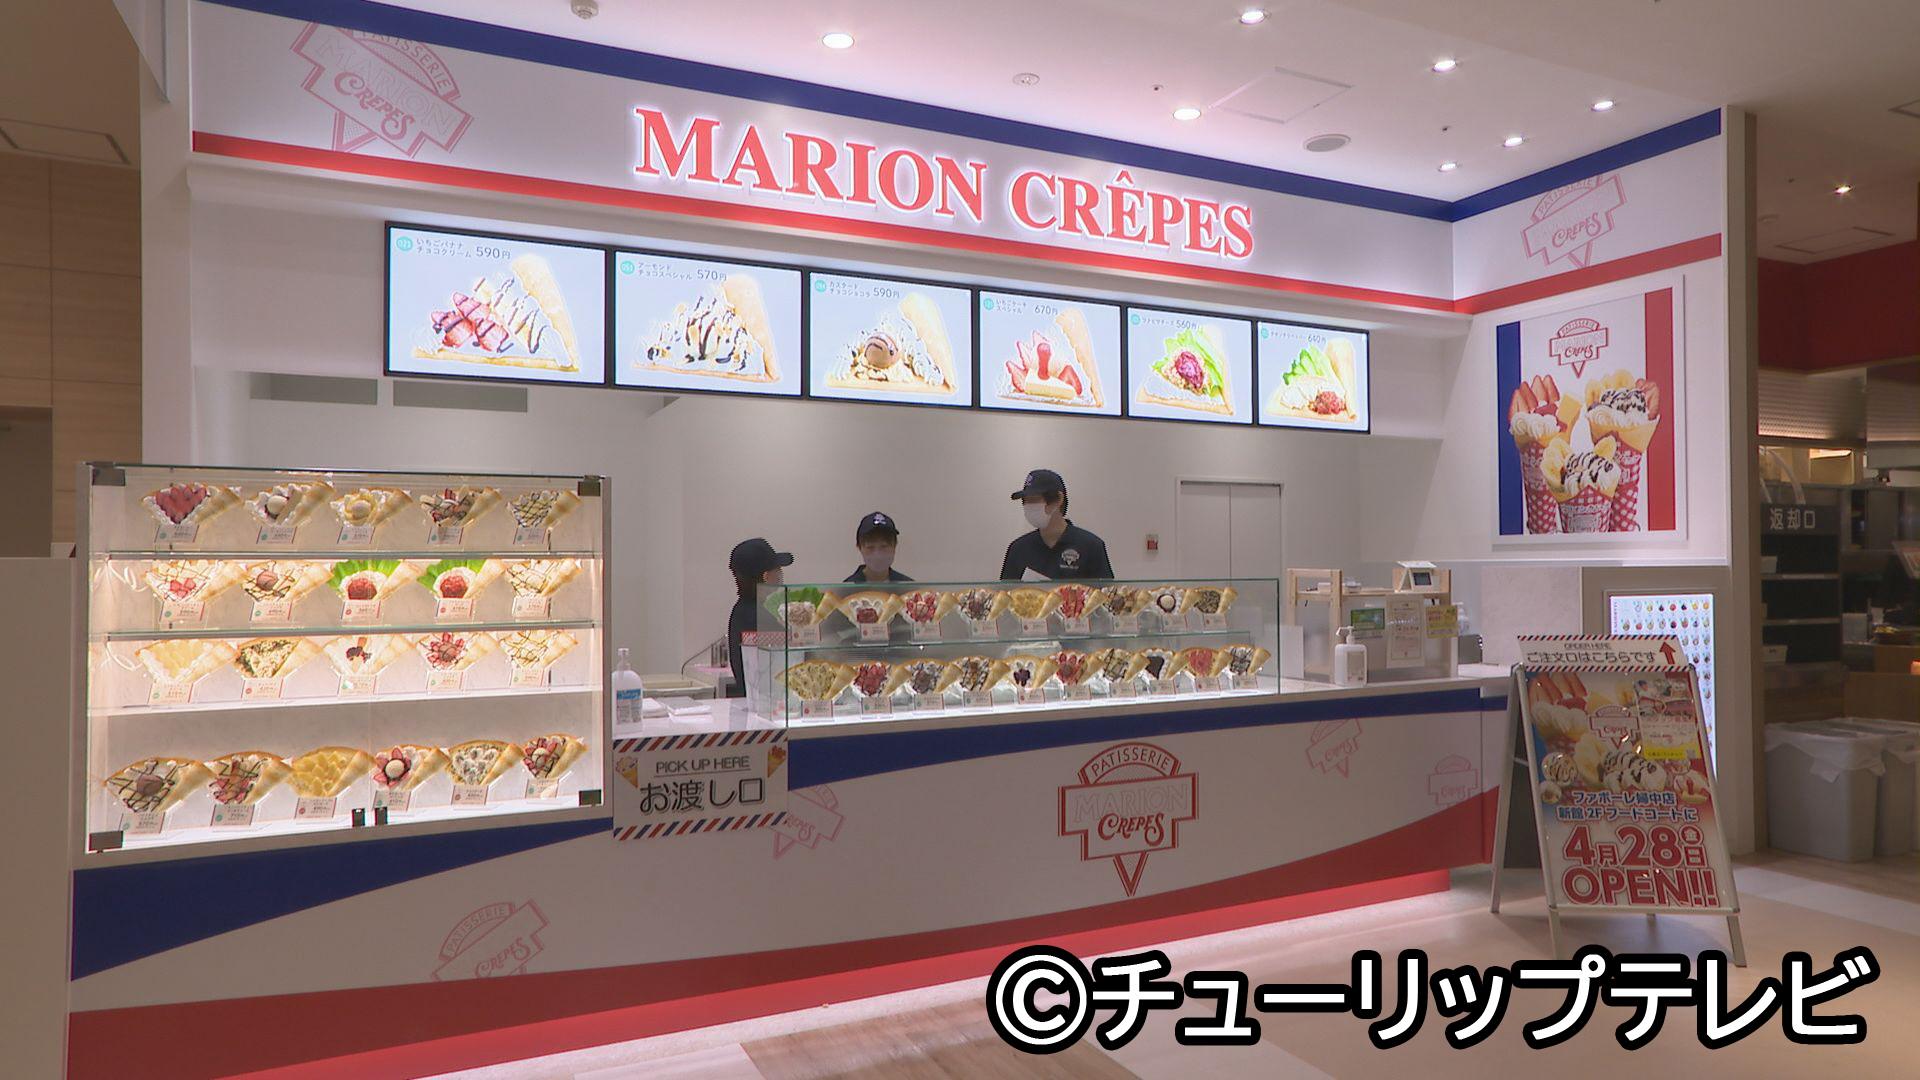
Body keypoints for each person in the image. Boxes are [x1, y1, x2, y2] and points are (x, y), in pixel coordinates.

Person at [1000, 468, 1114, 581]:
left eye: (1035, 500)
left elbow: (1106, 591)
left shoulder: (1091, 547)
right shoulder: (1018, 549)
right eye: (1025, 501)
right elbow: (1004, 591)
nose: (1029, 506)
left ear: (1059, 499)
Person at [725, 537, 792, 698]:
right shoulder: (762, 616)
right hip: (769, 702)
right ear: (766, 577)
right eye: (778, 570)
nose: (781, 575)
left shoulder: (741, 610)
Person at [846, 511, 913, 584]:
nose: (878, 555)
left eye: (884, 546)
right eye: (870, 547)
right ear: (859, 548)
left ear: (894, 546)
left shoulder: (909, 587)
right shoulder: (847, 588)